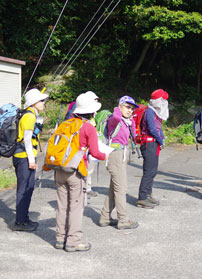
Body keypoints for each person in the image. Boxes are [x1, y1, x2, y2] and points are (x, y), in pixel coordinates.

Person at [54, 93, 107, 252]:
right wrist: (107, 155)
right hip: (76, 171)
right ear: (90, 112)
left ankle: (60, 238)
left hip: (59, 169)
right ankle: (74, 241)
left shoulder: (65, 124)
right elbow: (96, 153)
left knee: (62, 205)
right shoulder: (88, 127)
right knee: (76, 206)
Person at [99, 96, 139, 230]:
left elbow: (133, 135)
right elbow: (116, 117)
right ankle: (123, 220)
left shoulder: (126, 121)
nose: (130, 110)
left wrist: (131, 120)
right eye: (128, 107)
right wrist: (118, 108)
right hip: (115, 155)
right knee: (121, 189)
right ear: (120, 106)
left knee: (113, 188)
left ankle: (105, 217)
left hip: (121, 154)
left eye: (132, 108)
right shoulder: (114, 120)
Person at [12, 88, 48, 231]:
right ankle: (20, 222)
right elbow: (27, 140)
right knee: (24, 189)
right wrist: (32, 160)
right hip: (24, 157)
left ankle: (24, 219)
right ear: (34, 103)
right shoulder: (30, 117)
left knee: (28, 188)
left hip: (24, 156)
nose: (43, 103)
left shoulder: (31, 114)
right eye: (41, 101)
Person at [137, 89, 169, 209]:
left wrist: (162, 139)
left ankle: (148, 194)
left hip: (154, 144)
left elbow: (158, 128)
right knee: (149, 171)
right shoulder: (150, 112)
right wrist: (160, 140)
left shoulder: (156, 112)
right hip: (149, 144)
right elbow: (152, 128)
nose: (165, 102)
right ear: (158, 101)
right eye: (163, 100)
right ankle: (142, 198)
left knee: (153, 170)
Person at [64, 91, 100, 198]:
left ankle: (84, 188)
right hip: (80, 146)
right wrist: (104, 155)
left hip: (74, 148)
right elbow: (96, 152)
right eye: (95, 100)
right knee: (83, 166)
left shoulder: (74, 113)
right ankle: (84, 189)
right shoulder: (85, 123)